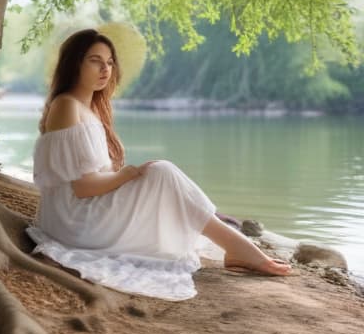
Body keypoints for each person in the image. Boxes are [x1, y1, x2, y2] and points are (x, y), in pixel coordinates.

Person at [26, 29, 291, 300]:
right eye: (95, 60)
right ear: (74, 63)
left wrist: (130, 177)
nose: (105, 69)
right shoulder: (66, 106)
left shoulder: (89, 109)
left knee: (161, 175)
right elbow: (82, 187)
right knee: (161, 172)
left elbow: (91, 181)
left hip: (81, 213)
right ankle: (236, 247)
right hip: (73, 221)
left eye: (109, 62)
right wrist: (128, 174)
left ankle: (235, 246)